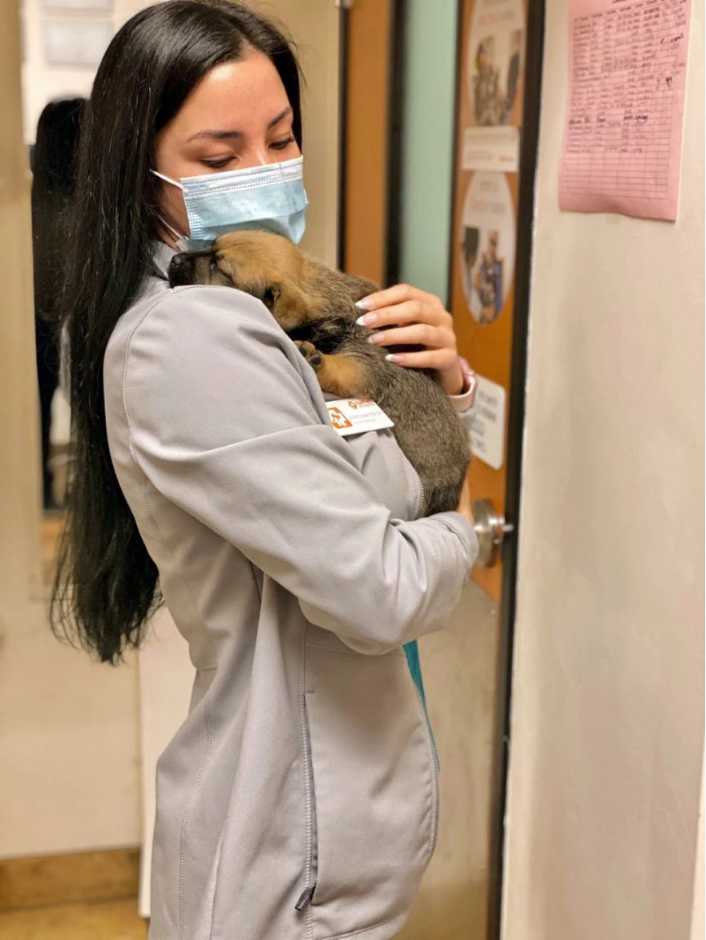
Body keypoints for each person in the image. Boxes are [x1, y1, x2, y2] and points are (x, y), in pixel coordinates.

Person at [50, 3, 479, 938]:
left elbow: (374, 491)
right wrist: (469, 531)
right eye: (217, 157)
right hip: (288, 848)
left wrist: (439, 386)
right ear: (144, 172)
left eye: (280, 138)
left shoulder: (271, 308)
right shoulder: (192, 336)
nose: (263, 174)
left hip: (323, 819)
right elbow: (380, 584)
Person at [30, 97, 84, 510]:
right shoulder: (90, 208)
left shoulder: (30, 201)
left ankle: (43, 490)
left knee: (36, 411)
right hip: (75, 321)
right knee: (92, 414)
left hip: (35, 322)